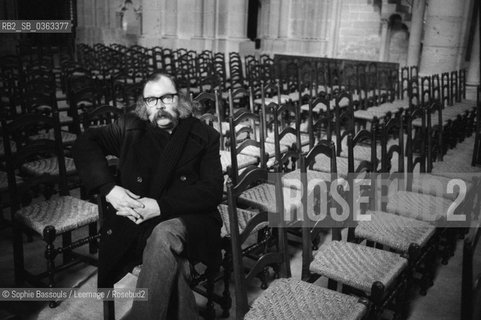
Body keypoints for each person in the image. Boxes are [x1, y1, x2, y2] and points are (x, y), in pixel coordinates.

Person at [72, 73, 224, 320]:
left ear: (180, 99)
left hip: (191, 219)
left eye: (166, 97)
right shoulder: (131, 127)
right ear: (144, 104)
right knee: (176, 265)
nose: (160, 106)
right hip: (138, 222)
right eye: (152, 100)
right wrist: (109, 189)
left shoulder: (204, 135)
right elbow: (85, 142)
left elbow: (212, 190)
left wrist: (160, 207)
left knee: (163, 234)